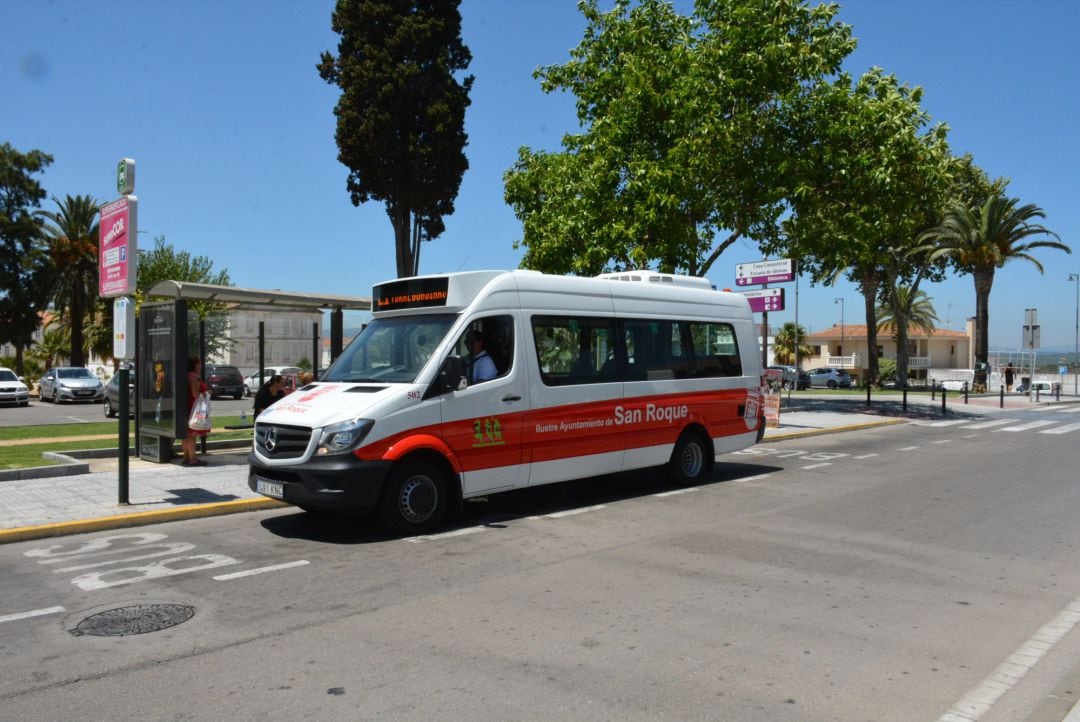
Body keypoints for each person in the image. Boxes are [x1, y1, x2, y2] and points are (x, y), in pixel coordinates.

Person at [181, 355, 209, 466]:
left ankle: (186, 457)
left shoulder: (186, 375)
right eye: (200, 363)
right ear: (196, 364)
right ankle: (193, 459)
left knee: (186, 434)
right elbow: (195, 394)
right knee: (192, 434)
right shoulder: (195, 377)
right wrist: (207, 393)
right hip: (194, 408)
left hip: (187, 407)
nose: (201, 365)